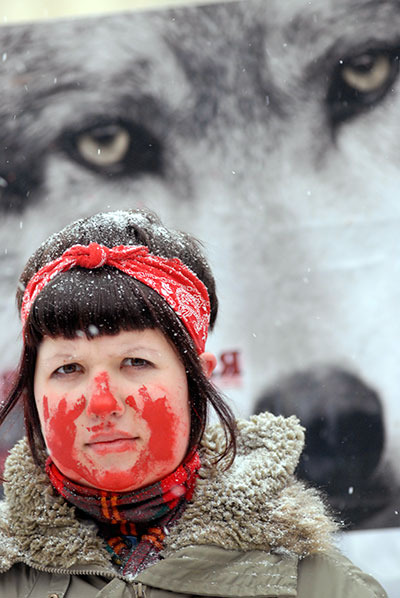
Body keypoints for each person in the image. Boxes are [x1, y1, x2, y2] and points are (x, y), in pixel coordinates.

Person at [0, 208, 387, 598]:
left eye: (136, 362)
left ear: (196, 380)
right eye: (68, 368)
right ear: (32, 389)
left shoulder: (315, 585)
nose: (102, 402)